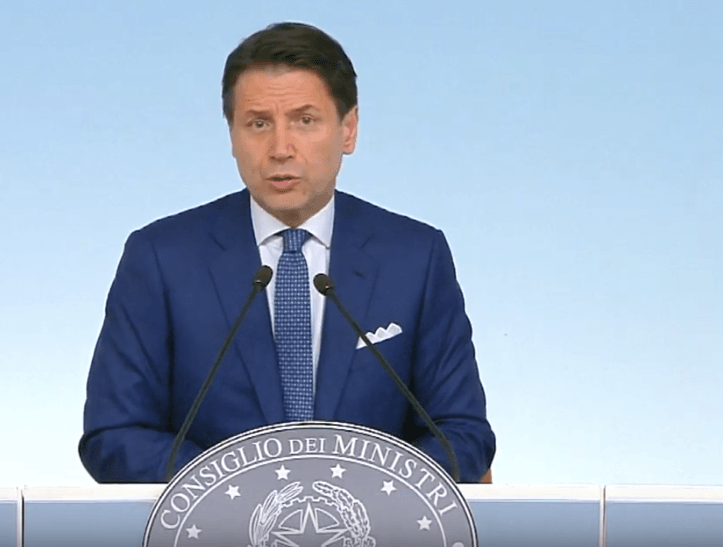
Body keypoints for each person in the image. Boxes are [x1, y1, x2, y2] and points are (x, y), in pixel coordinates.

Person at [78, 22, 496, 484]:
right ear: (232, 135)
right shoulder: (161, 258)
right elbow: (113, 435)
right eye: (258, 124)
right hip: (216, 519)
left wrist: (358, 494)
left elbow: (462, 434)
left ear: (349, 129)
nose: (280, 148)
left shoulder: (415, 257)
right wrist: (240, 489)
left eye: (304, 121)